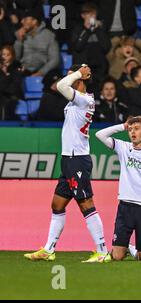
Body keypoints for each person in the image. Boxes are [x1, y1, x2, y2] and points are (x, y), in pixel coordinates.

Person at [24, 64, 111, 263]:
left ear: (80, 79)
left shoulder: (84, 99)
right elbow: (61, 86)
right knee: (57, 204)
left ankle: (102, 251)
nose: (68, 79)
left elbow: (60, 86)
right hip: (68, 159)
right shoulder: (77, 100)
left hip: (77, 159)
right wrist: (77, 74)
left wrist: (78, 73)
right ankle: (48, 250)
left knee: (85, 203)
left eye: (72, 76)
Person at [95, 116, 141, 261]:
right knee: (117, 257)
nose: (133, 132)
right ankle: (122, 248)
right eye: (131, 129)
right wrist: (122, 126)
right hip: (125, 207)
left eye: (137, 129)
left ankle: (130, 248)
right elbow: (99, 135)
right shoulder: (123, 147)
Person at [14, 8, 60, 77]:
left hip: (43, 72)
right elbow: (15, 58)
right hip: (22, 71)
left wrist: (41, 72)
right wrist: (19, 40)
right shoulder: (20, 34)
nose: (22, 21)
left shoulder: (49, 36)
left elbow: (55, 59)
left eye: (25, 19)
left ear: (34, 21)